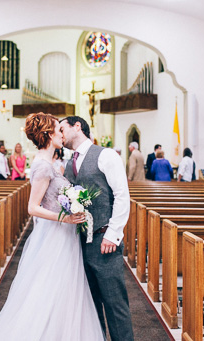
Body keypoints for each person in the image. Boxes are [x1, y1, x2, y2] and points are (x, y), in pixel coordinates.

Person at [0, 113, 104, 340]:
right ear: (48, 134)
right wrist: (64, 218)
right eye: (59, 130)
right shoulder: (41, 166)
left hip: (65, 235)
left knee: (66, 290)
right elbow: (32, 208)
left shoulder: (50, 163)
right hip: (54, 236)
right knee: (50, 289)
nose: (62, 134)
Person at [60, 115, 134, 341]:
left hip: (104, 241)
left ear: (77, 126)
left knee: (114, 303)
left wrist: (113, 235)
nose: (59, 135)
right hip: (79, 243)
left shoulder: (106, 155)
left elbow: (122, 196)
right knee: (90, 306)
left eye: (62, 129)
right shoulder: (69, 162)